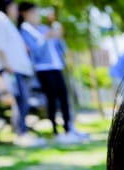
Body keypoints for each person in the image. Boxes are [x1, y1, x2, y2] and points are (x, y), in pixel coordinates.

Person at [17, 2, 87, 144]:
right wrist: (45, 38)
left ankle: (68, 128)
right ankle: (56, 131)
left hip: (56, 66)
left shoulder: (43, 28)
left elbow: (60, 49)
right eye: (33, 13)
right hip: (43, 69)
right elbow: (35, 52)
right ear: (25, 14)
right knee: (52, 99)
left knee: (63, 97)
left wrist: (59, 37)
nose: (36, 16)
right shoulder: (25, 31)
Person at [0, 0, 44, 147]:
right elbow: (0, 44)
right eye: (14, 7)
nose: (16, 11)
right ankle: (21, 134)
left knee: (22, 101)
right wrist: (7, 65)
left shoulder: (6, 21)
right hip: (11, 69)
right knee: (19, 101)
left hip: (17, 69)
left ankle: (23, 132)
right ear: (7, 5)